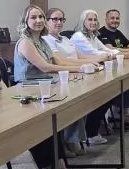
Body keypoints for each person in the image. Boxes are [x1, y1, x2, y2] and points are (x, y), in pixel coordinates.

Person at [14, 4, 87, 169]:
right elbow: (45, 67)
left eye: (40, 17)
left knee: (58, 119)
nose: (38, 20)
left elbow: (58, 62)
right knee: (46, 126)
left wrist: (79, 68)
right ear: (26, 21)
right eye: (33, 17)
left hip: (45, 89)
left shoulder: (43, 41)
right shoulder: (25, 42)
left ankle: (56, 168)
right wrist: (78, 68)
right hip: (28, 92)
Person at [42, 8, 109, 154]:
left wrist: (97, 60)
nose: (59, 22)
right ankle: (69, 139)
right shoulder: (47, 40)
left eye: (61, 19)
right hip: (63, 78)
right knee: (80, 100)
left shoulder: (65, 39)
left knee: (99, 93)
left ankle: (73, 138)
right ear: (46, 21)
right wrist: (83, 66)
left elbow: (81, 56)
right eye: (55, 19)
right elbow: (61, 61)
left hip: (76, 75)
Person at [72, 9, 129, 128]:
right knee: (116, 86)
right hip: (83, 75)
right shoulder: (79, 36)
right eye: (90, 20)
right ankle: (94, 128)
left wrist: (113, 54)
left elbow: (106, 50)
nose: (93, 22)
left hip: (96, 70)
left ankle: (114, 116)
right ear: (82, 21)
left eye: (95, 20)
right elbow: (96, 54)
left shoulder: (93, 35)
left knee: (124, 82)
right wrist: (116, 55)